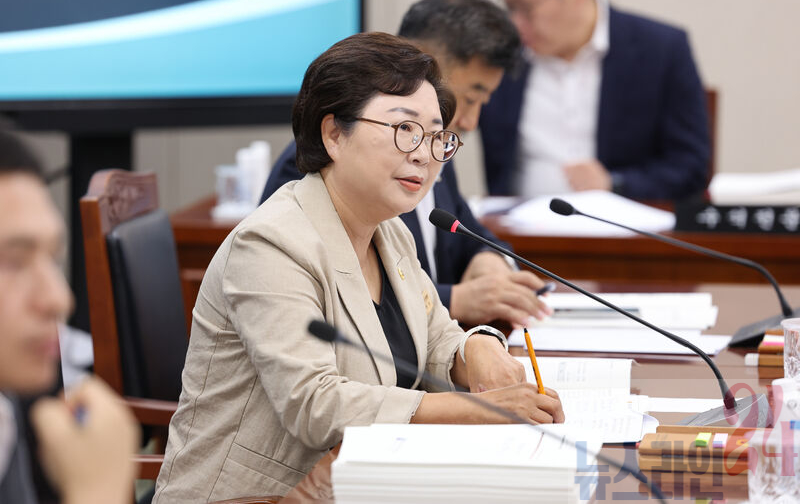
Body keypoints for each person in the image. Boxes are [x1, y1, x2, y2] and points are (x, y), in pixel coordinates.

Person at [154, 33, 564, 502]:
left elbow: (435, 337)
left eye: (437, 136)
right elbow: (316, 404)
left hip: (358, 484)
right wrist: (476, 409)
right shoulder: (270, 244)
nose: (424, 154)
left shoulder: (388, 231)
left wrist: (477, 348)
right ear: (334, 134)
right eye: (405, 129)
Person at [262, 0, 551, 329]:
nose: (471, 122)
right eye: (471, 98)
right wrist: (457, 300)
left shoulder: (433, 151)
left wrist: (490, 261)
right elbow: (325, 299)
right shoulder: (314, 166)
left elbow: (470, 234)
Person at [480, 0, 711, 201]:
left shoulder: (662, 50)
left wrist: (615, 183)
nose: (516, 23)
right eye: (509, 8)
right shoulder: (498, 57)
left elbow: (690, 166)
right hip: (515, 222)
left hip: (624, 220)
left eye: (526, 7)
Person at [0, 130, 139, 504]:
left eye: (52, 258)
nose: (59, 299)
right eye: (14, 262)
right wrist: (97, 491)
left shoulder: (16, 398)